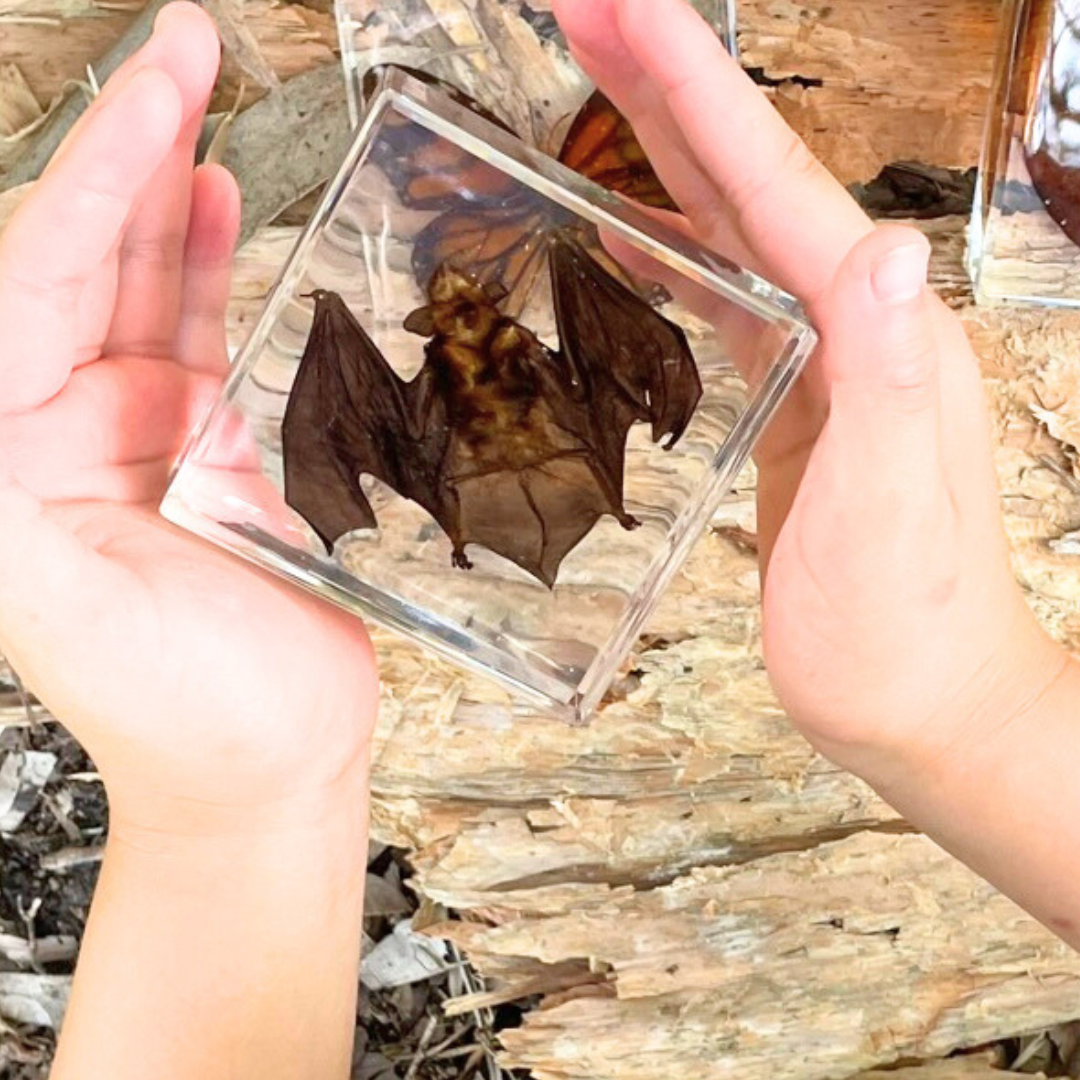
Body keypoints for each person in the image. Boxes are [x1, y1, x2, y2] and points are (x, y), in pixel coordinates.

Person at [0, 0, 1075, 1075]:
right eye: (454, 314)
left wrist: (233, 814)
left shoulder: (546, 330)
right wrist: (966, 706)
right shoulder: (409, 374)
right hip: (471, 469)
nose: (466, 316)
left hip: (541, 452)